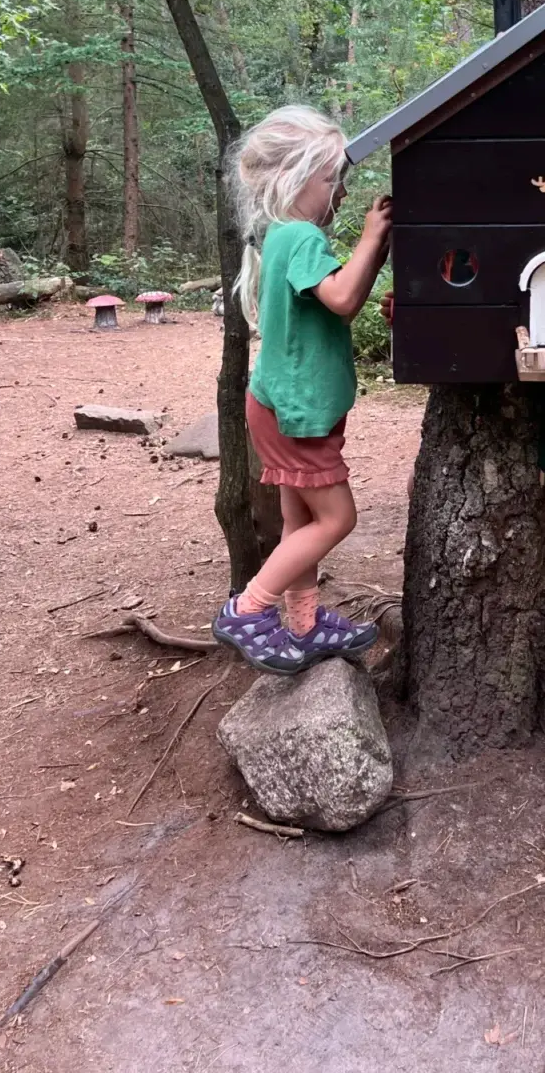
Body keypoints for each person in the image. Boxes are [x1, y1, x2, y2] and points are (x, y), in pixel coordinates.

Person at [212, 106, 393, 674]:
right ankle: (247, 610)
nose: (339, 192)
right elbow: (341, 298)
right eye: (331, 180)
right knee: (338, 519)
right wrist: (371, 238)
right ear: (297, 179)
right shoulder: (298, 235)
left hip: (288, 407)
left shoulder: (287, 237)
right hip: (297, 414)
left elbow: (342, 301)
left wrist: (377, 250)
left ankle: (305, 622)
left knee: (299, 524)